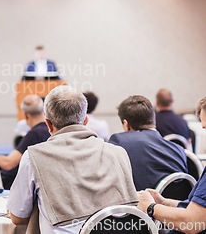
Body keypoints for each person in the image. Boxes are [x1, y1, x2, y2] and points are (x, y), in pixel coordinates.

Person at [8, 86, 138, 234]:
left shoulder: (33, 157)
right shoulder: (118, 153)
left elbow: (18, 218)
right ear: (85, 121)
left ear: (48, 124)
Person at [137, 96, 206, 234]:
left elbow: (192, 223)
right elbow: (197, 209)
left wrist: (151, 208)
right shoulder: (181, 123)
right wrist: (163, 202)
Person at [109, 95, 187, 191]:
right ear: (152, 120)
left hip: (137, 205)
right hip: (172, 205)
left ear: (126, 124)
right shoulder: (179, 150)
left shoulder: (119, 141)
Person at [0, 95, 50, 189]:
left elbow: (8, 163)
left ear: (26, 115)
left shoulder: (34, 134)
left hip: (16, 184)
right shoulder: (50, 130)